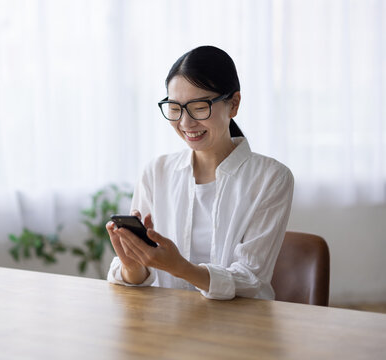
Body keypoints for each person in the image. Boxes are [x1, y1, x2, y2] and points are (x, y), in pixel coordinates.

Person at [106, 45, 294, 300]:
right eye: (175, 108)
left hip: (242, 327)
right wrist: (133, 266)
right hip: (169, 327)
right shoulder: (156, 172)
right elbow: (139, 278)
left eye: (199, 106)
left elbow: (250, 279)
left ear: (234, 104)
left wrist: (180, 268)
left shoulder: (271, 178)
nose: (185, 123)